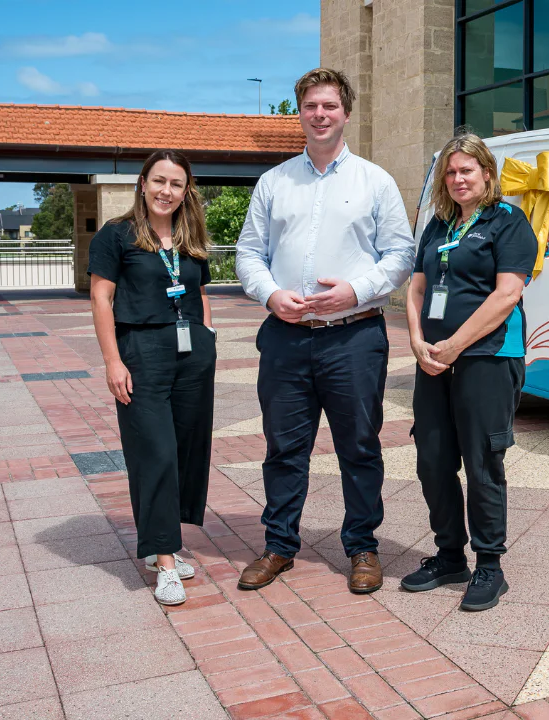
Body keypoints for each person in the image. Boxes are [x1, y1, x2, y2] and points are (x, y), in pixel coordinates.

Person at [234, 68, 415, 595]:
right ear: (300, 114)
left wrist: (355, 292)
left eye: (329, 106)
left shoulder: (374, 181)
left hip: (353, 337)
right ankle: (278, 545)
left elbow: (400, 254)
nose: (319, 114)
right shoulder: (274, 182)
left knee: (359, 446)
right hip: (286, 337)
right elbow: (249, 252)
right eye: (310, 106)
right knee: (284, 447)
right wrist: (271, 294)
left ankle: (362, 547)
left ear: (346, 114)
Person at [401, 131, 537, 611]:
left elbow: (507, 295)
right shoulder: (437, 227)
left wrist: (455, 345)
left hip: (486, 358)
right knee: (433, 458)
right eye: (451, 172)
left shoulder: (508, 221)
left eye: (467, 171)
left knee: (482, 463)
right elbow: (416, 291)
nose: (458, 179)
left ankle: (490, 567)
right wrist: (418, 342)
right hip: (434, 360)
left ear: (486, 174)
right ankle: (448, 555)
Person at [88, 150, 217, 606]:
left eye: (176, 183)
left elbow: (198, 290)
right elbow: (101, 299)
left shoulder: (188, 236)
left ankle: (162, 542)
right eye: (159, 180)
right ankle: (165, 561)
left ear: (186, 191)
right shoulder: (116, 235)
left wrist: (207, 335)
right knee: (155, 453)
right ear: (142, 183)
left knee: (185, 451)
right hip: (141, 354)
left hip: (192, 354)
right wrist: (112, 361)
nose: (167, 191)